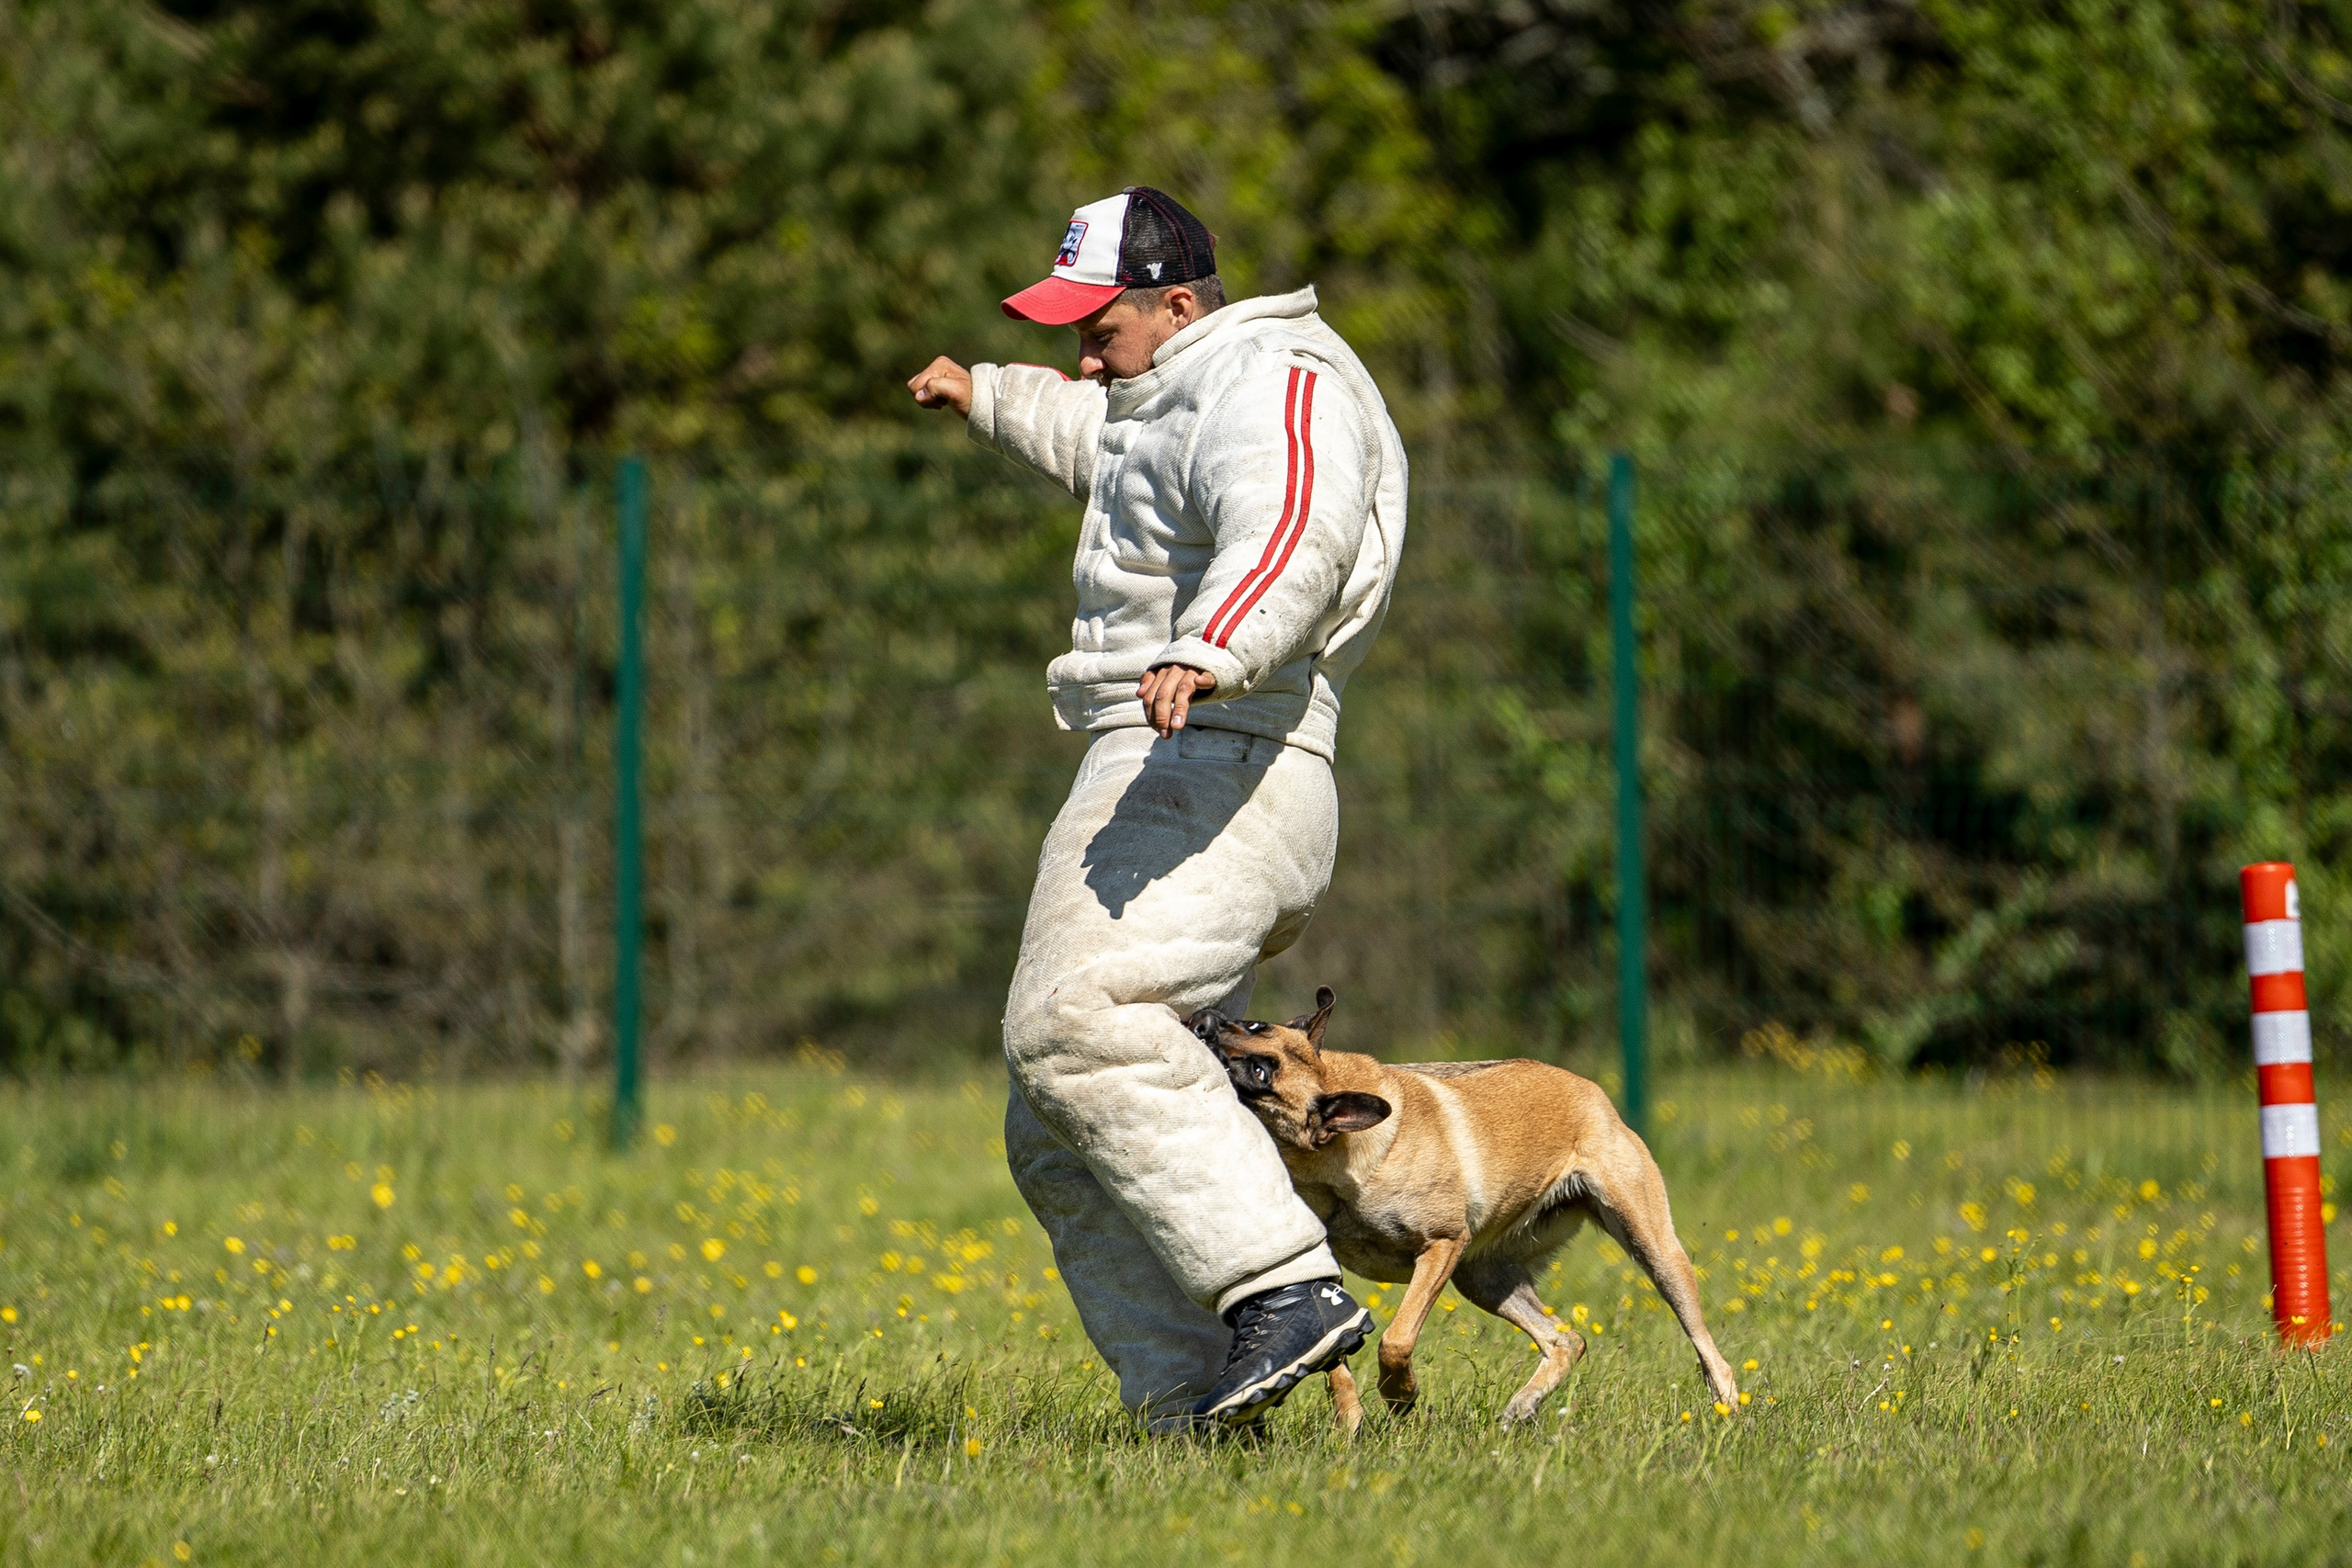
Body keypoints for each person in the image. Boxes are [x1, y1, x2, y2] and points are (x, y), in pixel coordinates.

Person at [907, 186, 1408, 1428]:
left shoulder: (1279, 377)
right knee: (1057, 1116)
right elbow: (1110, 451)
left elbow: (1296, 518)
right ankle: (1192, 1400)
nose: (1086, 349)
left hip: (1228, 741)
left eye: (1101, 325)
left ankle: (1287, 1289)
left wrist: (1217, 645)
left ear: (1179, 304)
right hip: (1173, 746)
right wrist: (987, 394)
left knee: (1081, 1022)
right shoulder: (1171, 391)